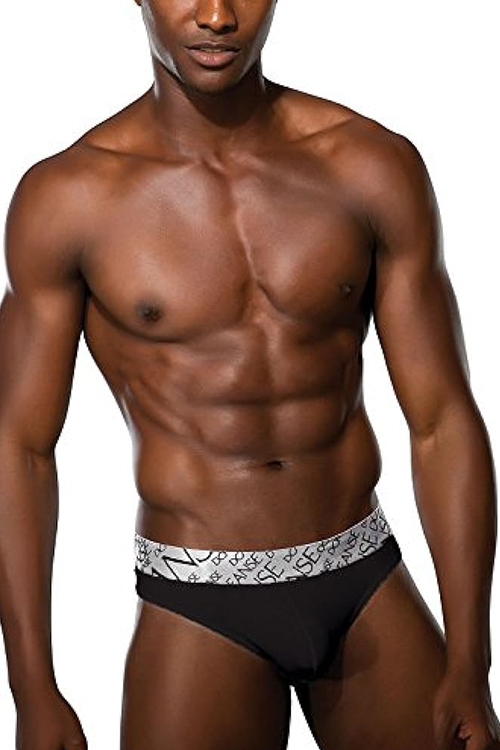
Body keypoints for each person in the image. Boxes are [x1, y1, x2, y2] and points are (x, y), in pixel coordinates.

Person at [0, 0, 498, 748]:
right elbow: (20, 449)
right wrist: (31, 687)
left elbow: (441, 420)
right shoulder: (69, 199)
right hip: (197, 600)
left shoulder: (368, 164)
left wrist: (472, 658)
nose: (217, 15)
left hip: (363, 576)